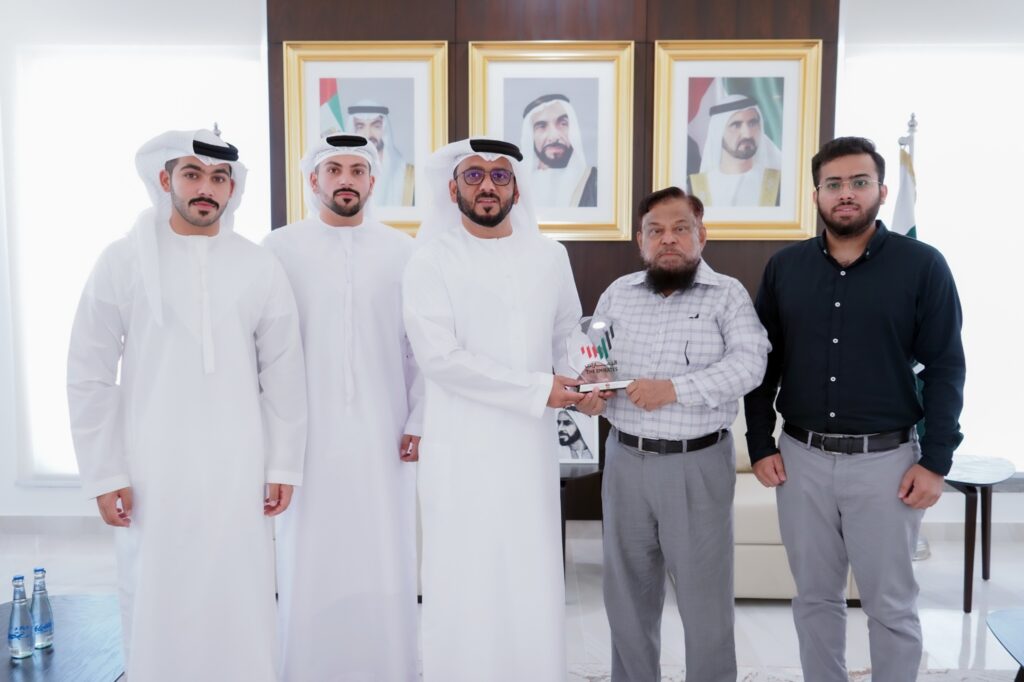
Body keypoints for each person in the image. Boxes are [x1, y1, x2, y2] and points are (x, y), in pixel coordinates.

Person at [66, 128, 307, 681]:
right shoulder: (123, 260)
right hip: (153, 468)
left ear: (232, 189)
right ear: (165, 179)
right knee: (157, 593)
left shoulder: (258, 266)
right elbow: (89, 372)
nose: (206, 188)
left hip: (239, 467)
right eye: (193, 174)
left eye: (219, 178)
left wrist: (283, 464)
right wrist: (104, 472)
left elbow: (284, 372)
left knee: (240, 593)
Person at [744, 136, 966, 682]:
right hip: (801, 460)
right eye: (834, 184)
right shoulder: (784, 268)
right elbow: (761, 364)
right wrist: (759, 443)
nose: (846, 193)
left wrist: (936, 461)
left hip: (887, 463)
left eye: (859, 182)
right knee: (814, 599)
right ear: (816, 195)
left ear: (881, 191)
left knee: (890, 604)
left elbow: (945, 367)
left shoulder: (923, 265)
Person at [402, 137, 599, 682]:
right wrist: (539, 389)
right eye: (474, 175)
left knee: (530, 572)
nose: (487, 185)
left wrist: (589, 379)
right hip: (460, 449)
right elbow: (440, 359)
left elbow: (568, 334)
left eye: (499, 175)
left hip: (528, 450)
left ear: (516, 188)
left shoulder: (550, 255)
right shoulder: (430, 259)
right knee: (464, 576)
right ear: (452, 190)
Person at [590, 186, 769, 682]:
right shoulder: (617, 294)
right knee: (626, 598)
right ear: (641, 241)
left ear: (701, 235)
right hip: (624, 462)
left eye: (680, 228)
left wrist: (673, 389)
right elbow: (596, 360)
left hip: (697, 465)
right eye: (656, 231)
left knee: (705, 604)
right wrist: (592, 386)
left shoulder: (727, 295)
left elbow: (750, 365)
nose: (667, 239)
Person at [264, 133, 423, 681]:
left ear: (373, 182)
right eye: (334, 170)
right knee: (309, 555)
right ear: (313, 180)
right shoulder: (278, 249)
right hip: (306, 438)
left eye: (358, 170)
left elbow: (420, 348)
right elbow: (264, 351)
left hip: (385, 431)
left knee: (385, 551)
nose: (346, 180)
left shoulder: (404, 251)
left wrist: (419, 417)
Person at [689, 94, 782, 207]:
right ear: (718, 132)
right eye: (736, 125)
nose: (747, 134)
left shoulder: (779, 184)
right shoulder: (694, 187)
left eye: (752, 123)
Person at [519, 94, 598, 208]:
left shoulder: (596, 181)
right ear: (530, 136)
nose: (554, 136)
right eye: (541, 126)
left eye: (563, 124)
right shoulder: (515, 185)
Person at [347, 100, 415, 206]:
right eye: (360, 127)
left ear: (385, 130)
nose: (368, 134)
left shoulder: (408, 176)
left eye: (376, 126)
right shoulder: (342, 178)